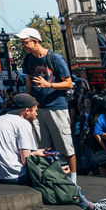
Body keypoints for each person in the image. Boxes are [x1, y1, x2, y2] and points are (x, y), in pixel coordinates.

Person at [0, 93, 106, 210]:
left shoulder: (0, 119)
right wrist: (54, 170)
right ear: (27, 110)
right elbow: (26, 161)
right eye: (35, 110)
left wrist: (37, 152)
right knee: (57, 175)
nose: (37, 114)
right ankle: (90, 206)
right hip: (14, 176)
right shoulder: (22, 124)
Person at [17, 27, 78, 181]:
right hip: (37, 109)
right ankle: (49, 178)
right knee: (40, 147)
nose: (22, 45)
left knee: (65, 146)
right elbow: (29, 83)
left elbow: (69, 83)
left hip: (56, 107)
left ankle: (73, 179)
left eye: (25, 42)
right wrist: (28, 102)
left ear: (35, 42)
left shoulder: (55, 58)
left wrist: (49, 85)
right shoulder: (29, 60)